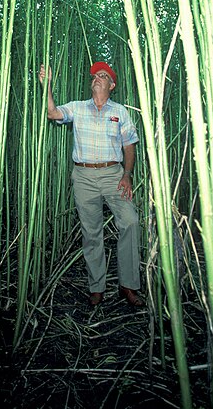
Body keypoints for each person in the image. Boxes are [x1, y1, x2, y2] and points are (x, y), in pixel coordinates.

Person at [39, 61, 144, 308]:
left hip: (112, 174)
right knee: (91, 231)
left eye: (103, 75)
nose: (97, 77)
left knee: (130, 221)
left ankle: (128, 285)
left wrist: (127, 174)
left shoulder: (120, 111)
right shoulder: (78, 107)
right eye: (95, 75)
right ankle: (97, 287)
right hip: (84, 176)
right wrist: (48, 86)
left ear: (112, 85)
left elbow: (129, 144)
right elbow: (53, 113)